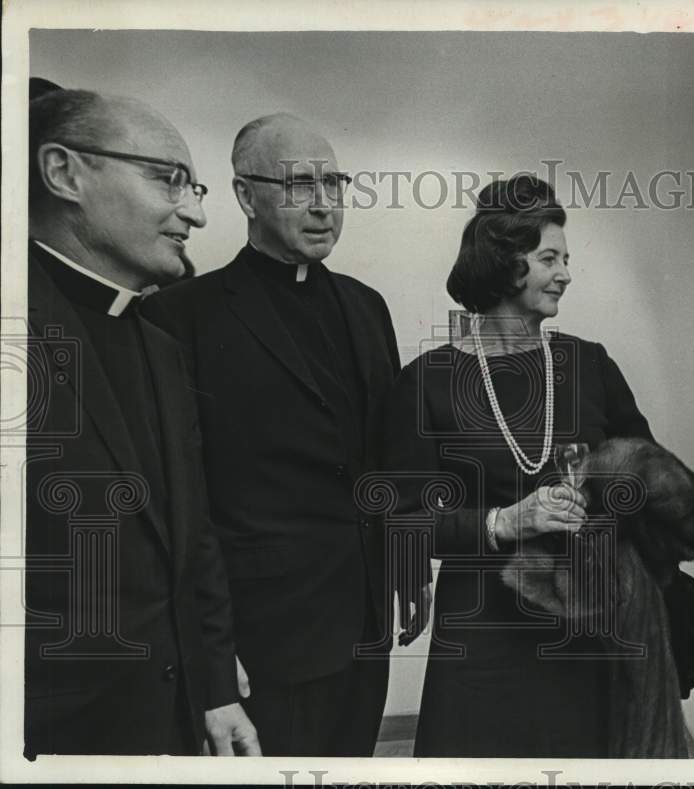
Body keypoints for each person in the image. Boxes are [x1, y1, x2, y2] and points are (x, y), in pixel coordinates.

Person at [142, 113, 428, 756]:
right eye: (300, 185)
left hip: (365, 623)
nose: (324, 205)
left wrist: (410, 561)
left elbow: (388, 455)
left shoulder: (366, 304)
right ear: (246, 196)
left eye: (334, 184)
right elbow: (179, 502)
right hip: (261, 635)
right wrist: (210, 649)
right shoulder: (179, 314)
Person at [382, 174, 660, 757]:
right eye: (549, 259)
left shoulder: (590, 364)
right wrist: (507, 520)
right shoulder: (427, 381)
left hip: (584, 623)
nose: (566, 274)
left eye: (566, 259)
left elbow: (645, 477)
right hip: (482, 634)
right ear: (505, 266)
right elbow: (404, 521)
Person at [25, 88, 259, 756]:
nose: (196, 213)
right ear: (64, 173)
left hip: (170, 724)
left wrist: (215, 686)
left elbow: (192, 533)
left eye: (195, 188)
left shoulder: (160, 345)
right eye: (168, 179)